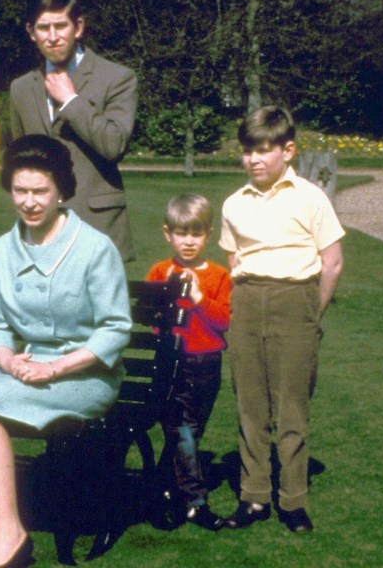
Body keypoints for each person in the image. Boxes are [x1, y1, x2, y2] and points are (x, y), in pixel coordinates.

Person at [0, 135, 132, 568]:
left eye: (40, 191)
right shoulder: (3, 250)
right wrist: (5, 359)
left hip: (85, 376)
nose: (29, 202)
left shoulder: (95, 248)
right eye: (20, 191)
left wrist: (58, 366)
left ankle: (14, 535)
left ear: (62, 190)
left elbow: (115, 329)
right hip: (24, 369)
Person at [217, 107, 344, 533]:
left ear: (288, 151)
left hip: (297, 302)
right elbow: (234, 258)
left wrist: (311, 312)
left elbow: (332, 262)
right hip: (248, 301)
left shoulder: (310, 197)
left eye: (263, 150)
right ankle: (253, 498)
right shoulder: (234, 203)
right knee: (251, 407)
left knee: (291, 409)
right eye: (246, 151)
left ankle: (292, 500)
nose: (253, 159)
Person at [9, 0, 137, 262]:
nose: (53, 37)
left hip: (97, 226)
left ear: (78, 27)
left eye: (60, 26)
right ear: (31, 32)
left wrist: (70, 101)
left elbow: (114, 144)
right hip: (39, 231)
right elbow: (20, 162)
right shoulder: (20, 88)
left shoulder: (117, 77)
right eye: (44, 28)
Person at [146, 193, 232, 531]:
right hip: (172, 365)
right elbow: (152, 323)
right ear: (168, 233)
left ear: (208, 235)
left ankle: (163, 487)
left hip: (206, 365)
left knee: (189, 434)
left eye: (196, 234)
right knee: (183, 432)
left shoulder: (219, 276)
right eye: (181, 233)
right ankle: (196, 501)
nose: (188, 242)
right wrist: (167, 300)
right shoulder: (160, 271)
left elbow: (224, 321)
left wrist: (198, 299)